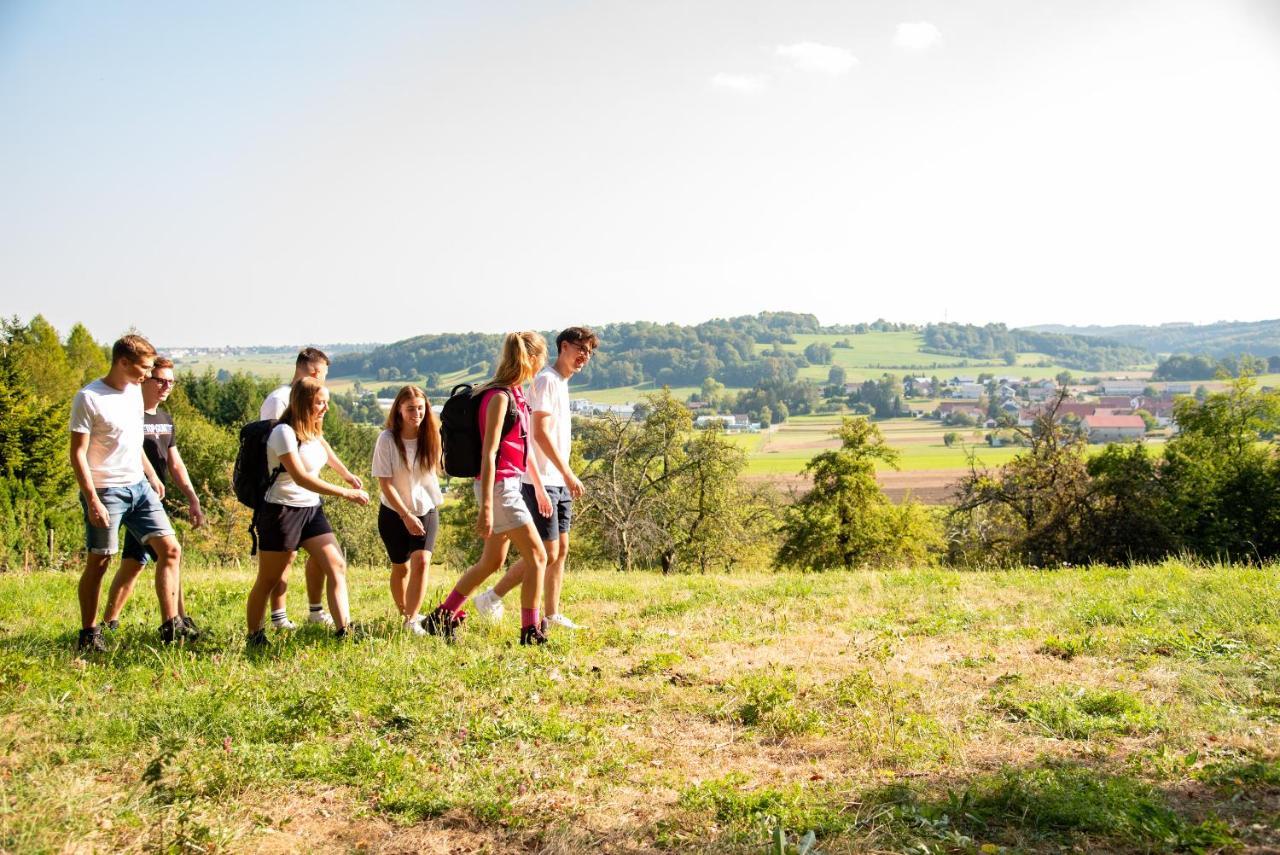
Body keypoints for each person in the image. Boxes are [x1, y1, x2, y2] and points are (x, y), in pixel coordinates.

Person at [424, 331, 552, 645]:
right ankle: (530, 630)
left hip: (504, 486)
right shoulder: (499, 397)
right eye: (541, 358)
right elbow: (489, 452)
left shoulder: (514, 394)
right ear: (531, 359)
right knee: (538, 557)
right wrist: (486, 507)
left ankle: (442, 616)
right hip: (499, 488)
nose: (542, 364)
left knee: (492, 561)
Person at [474, 326, 597, 631]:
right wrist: (559, 477)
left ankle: (552, 615)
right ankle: (492, 596)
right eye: (580, 349)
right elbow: (537, 433)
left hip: (556, 478)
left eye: (590, 352)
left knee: (560, 550)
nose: (585, 356)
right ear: (563, 347)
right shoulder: (546, 381)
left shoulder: (561, 383)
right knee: (546, 552)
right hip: (540, 479)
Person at [70, 334, 184, 651]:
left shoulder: (134, 392)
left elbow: (133, 442)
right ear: (123, 362)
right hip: (105, 490)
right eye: (143, 368)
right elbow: (77, 454)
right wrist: (92, 498)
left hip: (139, 486)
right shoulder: (89, 398)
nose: (147, 375)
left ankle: (171, 627)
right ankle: (90, 634)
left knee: (170, 550)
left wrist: (150, 476)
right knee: (101, 560)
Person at [245, 377, 369, 645]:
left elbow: (325, 450)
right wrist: (345, 492)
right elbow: (301, 478)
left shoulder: (313, 430)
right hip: (281, 512)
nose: (325, 408)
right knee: (269, 578)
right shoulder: (283, 433)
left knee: (336, 564)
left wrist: (346, 475)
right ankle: (255, 635)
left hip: (311, 511)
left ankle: (344, 630)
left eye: (326, 402)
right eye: (319, 403)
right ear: (303, 403)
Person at [100, 357, 206, 634]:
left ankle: (111, 622)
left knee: (138, 562)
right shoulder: (131, 414)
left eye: (171, 381)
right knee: (162, 556)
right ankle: (176, 621)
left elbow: (176, 463)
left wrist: (193, 498)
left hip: (154, 503)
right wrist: (150, 477)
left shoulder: (165, 419)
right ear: (144, 379)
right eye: (160, 380)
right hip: (130, 495)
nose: (166, 386)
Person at [372, 386, 444, 634]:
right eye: (411, 408)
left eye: (421, 408)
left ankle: (411, 620)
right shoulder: (387, 439)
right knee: (400, 567)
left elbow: (441, 468)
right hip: (394, 512)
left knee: (422, 561)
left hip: (426, 507)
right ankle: (405, 613)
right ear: (399, 410)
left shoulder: (432, 435)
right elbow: (385, 483)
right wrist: (406, 516)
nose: (417, 413)